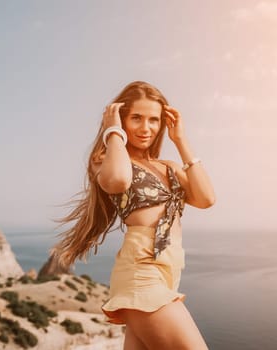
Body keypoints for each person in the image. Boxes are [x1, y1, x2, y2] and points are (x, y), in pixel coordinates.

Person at [54, 81, 215, 349]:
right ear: (122, 119)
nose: (145, 128)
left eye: (153, 120)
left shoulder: (169, 167)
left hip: (168, 274)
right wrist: (113, 131)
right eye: (136, 118)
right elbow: (117, 180)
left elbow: (206, 198)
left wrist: (181, 141)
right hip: (141, 274)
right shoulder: (105, 160)